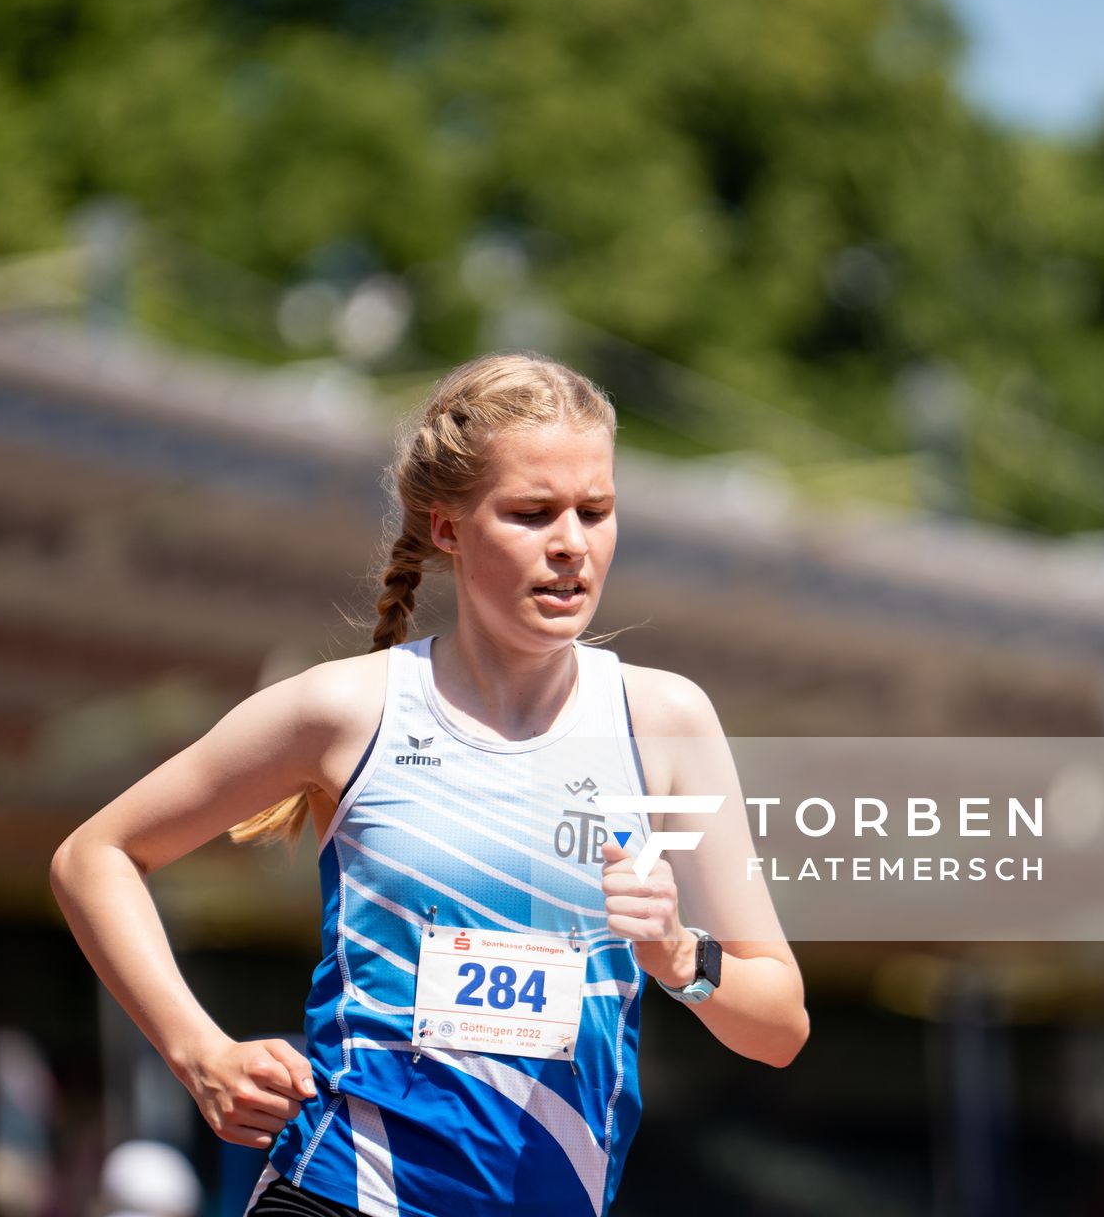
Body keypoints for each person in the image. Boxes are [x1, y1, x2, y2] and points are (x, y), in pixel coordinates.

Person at [50, 352, 807, 1217]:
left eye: (595, 512)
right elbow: (94, 856)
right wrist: (198, 1052)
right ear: (447, 529)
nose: (571, 543)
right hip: (341, 1193)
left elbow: (780, 1027)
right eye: (532, 513)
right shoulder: (346, 710)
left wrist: (678, 954)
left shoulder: (665, 723)